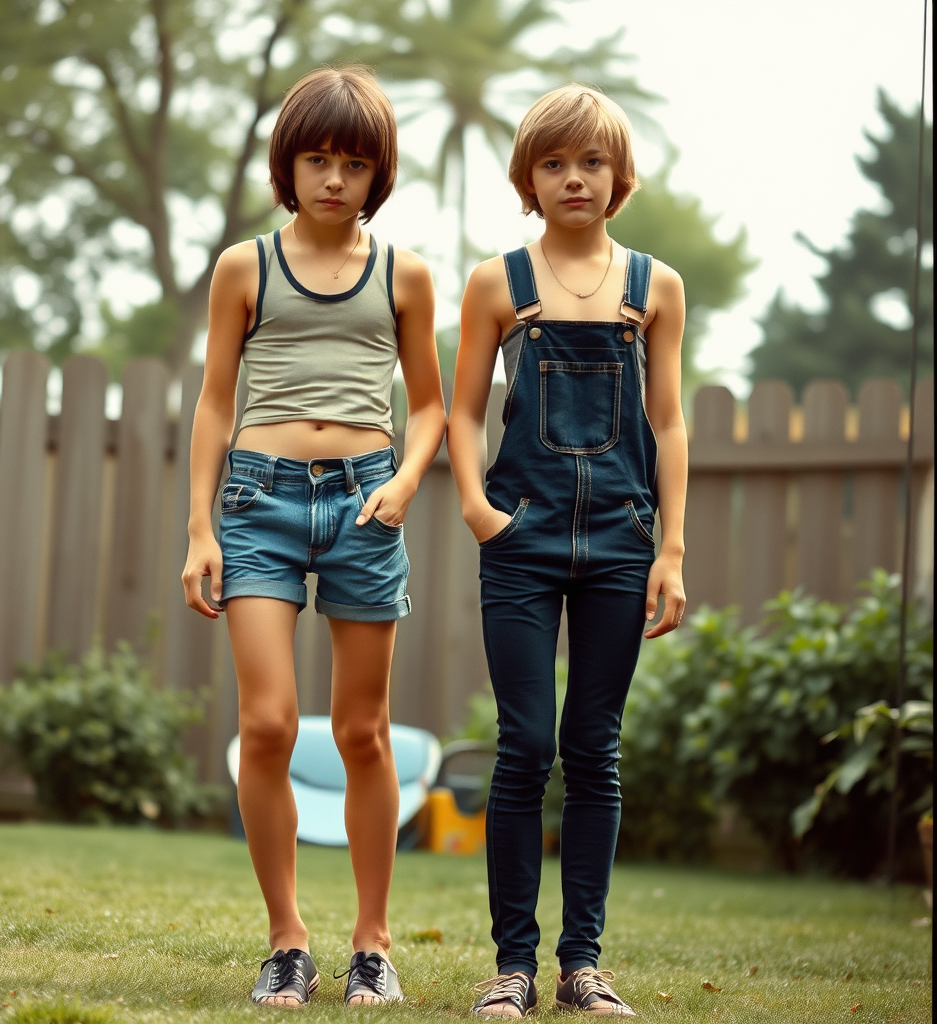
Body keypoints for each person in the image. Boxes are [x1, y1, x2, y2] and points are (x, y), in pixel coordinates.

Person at [182, 66, 446, 1008]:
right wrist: (199, 526)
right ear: (287, 165)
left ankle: (371, 942)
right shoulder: (243, 267)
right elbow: (216, 400)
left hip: (366, 501)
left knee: (363, 731)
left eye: (355, 163)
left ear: (380, 174)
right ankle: (287, 939)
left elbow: (429, 407)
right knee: (267, 724)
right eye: (317, 158)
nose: (335, 178)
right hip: (257, 502)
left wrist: (408, 482)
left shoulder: (404, 274)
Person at [447, 84, 687, 1018]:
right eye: (553, 163)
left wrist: (670, 547)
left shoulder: (652, 287)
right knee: (524, 747)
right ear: (528, 179)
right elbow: (462, 410)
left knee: (595, 750)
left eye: (590, 162)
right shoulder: (497, 283)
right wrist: (476, 508)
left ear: (617, 178)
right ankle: (512, 967)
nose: (573, 177)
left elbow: (667, 421)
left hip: (623, 543)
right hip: (522, 537)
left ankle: (582, 966)